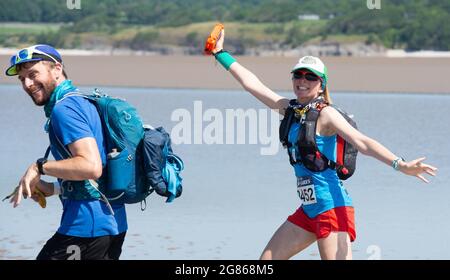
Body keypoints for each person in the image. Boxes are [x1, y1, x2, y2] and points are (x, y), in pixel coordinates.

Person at [208, 29, 437, 260]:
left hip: (332, 207)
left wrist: (401, 165)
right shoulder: (289, 109)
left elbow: (362, 142)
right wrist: (220, 54)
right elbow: (252, 84)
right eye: (298, 75)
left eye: (310, 77)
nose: (303, 81)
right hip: (309, 210)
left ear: (321, 84)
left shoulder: (326, 114)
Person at [5, 44, 127, 260]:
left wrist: (39, 167)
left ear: (57, 69)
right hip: (111, 223)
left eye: (33, 74)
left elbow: (91, 166)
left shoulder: (65, 109)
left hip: (85, 228)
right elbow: (92, 174)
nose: (27, 84)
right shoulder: (80, 101)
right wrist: (50, 188)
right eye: (22, 79)